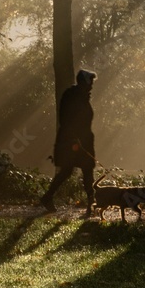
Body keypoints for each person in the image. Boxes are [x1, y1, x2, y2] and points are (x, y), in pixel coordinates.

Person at [40, 69, 97, 215]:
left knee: (84, 170)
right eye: (90, 82)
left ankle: (91, 203)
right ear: (83, 82)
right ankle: (91, 203)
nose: (91, 85)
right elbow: (65, 118)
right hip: (72, 140)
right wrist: (73, 137)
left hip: (83, 139)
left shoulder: (83, 96)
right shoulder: (71, 96)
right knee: (69, 171)